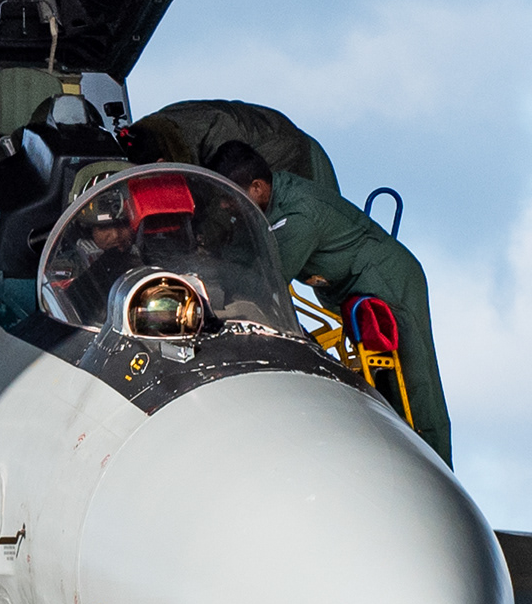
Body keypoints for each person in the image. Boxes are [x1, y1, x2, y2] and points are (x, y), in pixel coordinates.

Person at [195, 131, 456, 466]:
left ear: (258, 187)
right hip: (348, 285)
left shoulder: (299, 216)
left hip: (390, 282)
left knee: (417, 388)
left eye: (231, 198)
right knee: (385, 392)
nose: (226, 205)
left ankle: (438, 470)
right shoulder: (272, 199)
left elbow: (267, 279)